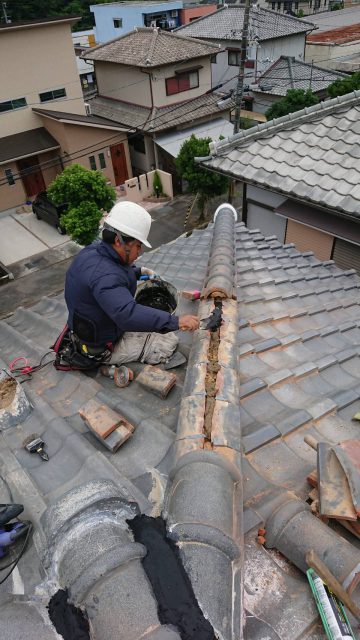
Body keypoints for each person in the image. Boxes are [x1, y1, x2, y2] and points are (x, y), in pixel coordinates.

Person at [64, 201, 199, 366]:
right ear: (118, 241)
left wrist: (138, 271)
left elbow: (113, 272)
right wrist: (176, 322)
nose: (140, 251)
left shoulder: (93, 251)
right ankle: (105, 359)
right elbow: (126, 314)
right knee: (167, 343)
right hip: (98, 346)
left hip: (92, 326)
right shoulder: (104, 276)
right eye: (137, 245)